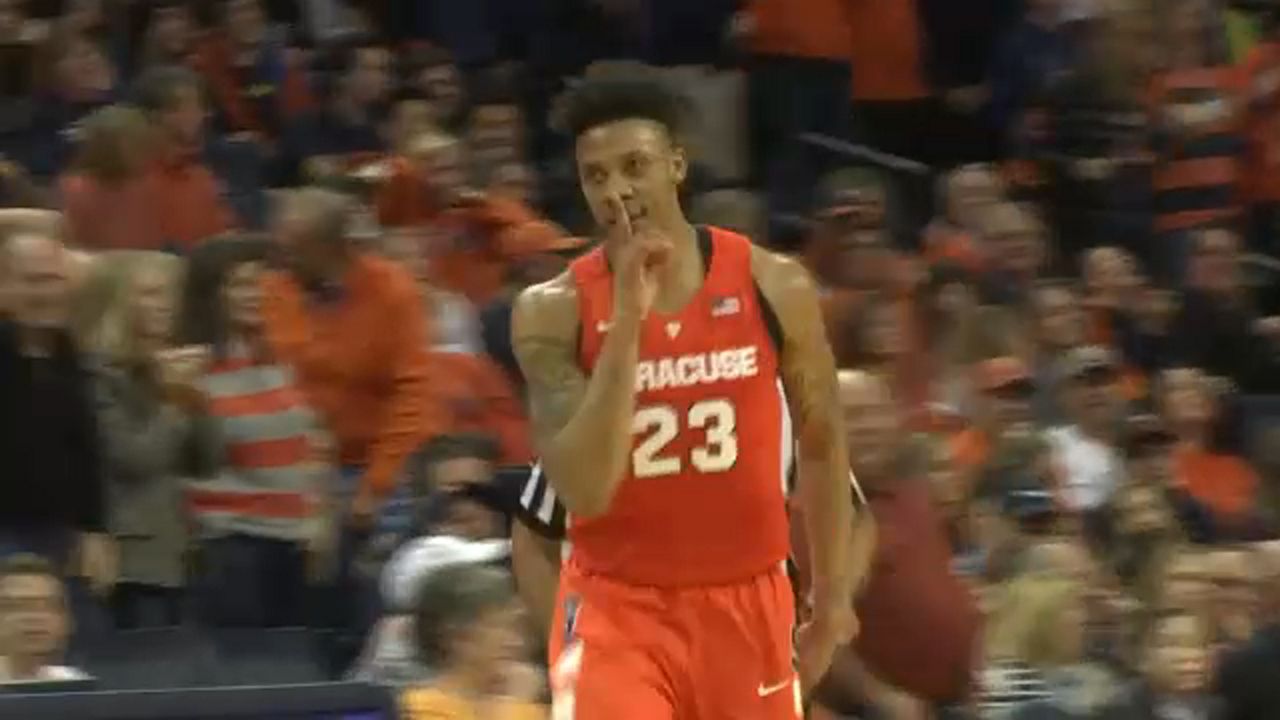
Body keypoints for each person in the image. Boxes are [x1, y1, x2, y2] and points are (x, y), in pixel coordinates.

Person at [510, 65, 865, 719]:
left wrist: (833, 594)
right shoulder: (551, 312)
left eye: (634, 165)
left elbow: (822, 443)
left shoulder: (773, 284)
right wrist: (626, 327)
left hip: (750, 601)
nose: (617, 189)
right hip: (617, 607)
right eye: (597, 175)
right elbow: (585, 490)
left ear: (676, 164)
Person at [0, 553, 89, 684]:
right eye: (17, 606)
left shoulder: (73, 683)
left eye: (49, 605)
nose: (34, 617)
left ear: (68, 621)